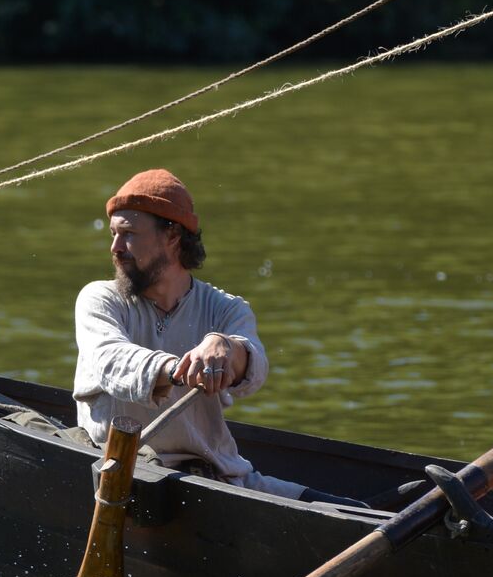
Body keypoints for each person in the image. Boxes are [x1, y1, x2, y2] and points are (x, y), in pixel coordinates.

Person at [73, 168, 357, 505]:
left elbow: (254, 369)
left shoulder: (226, 309)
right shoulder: (99, 298)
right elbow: (110, 360)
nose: (115, 247)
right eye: (113, 234)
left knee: (352, 510)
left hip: (214, 477)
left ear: (173, 236)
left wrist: (226, 348)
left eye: (128, 234)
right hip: (122, 470)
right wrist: (178, 368)